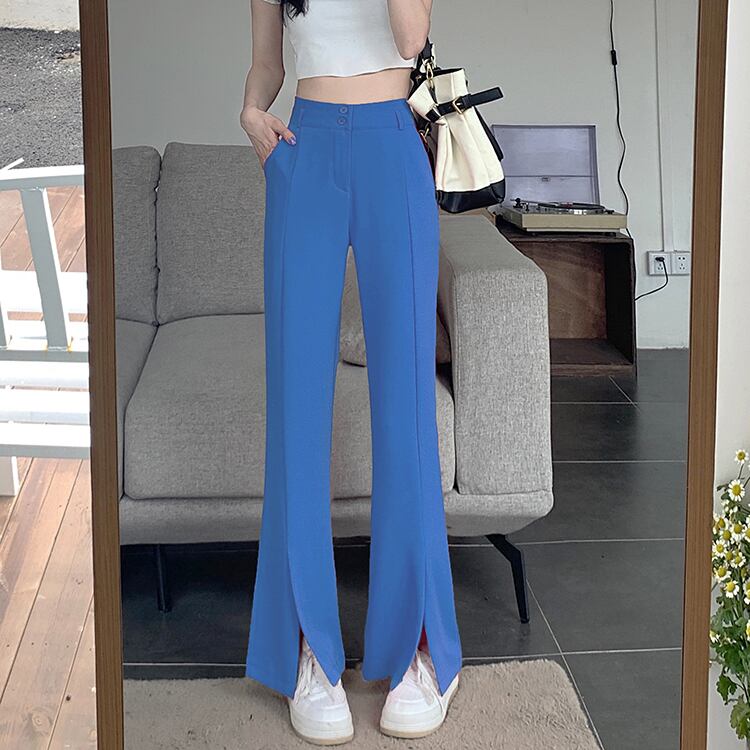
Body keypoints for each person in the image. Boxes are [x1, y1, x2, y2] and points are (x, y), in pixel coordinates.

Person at [240, 0, 462, 743]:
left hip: (392, 145)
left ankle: (421, 651)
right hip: (303, 150)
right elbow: (268, 61)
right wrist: (251, 111)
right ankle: (308, 649)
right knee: (295, 407)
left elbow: (411, 37)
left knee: (406, 409)